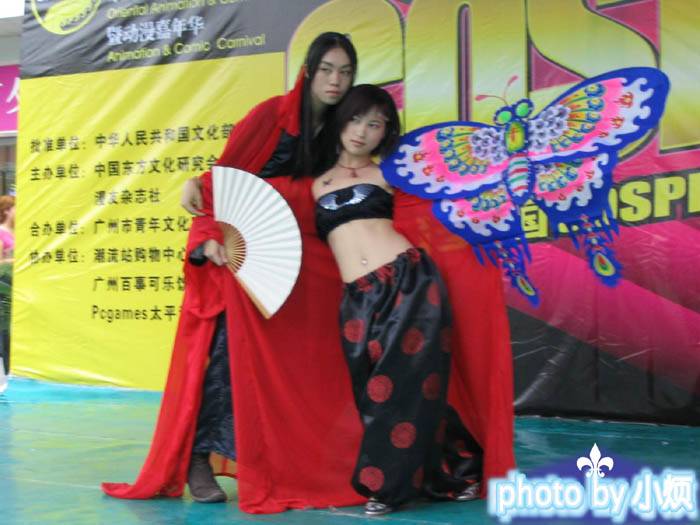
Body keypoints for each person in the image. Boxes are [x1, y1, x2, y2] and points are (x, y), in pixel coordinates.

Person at [103, 32, 360, 509]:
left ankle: (295, 462)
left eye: (345, 72)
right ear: (307, 71)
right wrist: (207, 237)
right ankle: (199, 457)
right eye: (326, 69)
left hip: (310, 261)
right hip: (252, 257)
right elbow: (220, 181)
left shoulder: (344, 127)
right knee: (227, 357)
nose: (335, 80)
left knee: (307, 366)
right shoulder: (270, 117)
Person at [313, 85, 488, 515]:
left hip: (408, 283)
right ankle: (459, 467)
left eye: (375, 124)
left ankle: (384, 488)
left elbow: (443, 210)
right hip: (356, 298)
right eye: (356, 119)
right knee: (375, 392)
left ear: (385, 132)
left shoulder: (392, 175)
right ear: (340, 121)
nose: (362, 131)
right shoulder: (314, 183)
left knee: (395, 388)